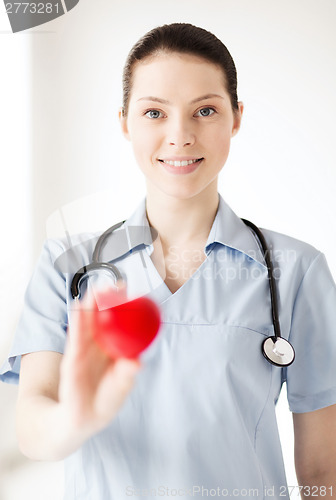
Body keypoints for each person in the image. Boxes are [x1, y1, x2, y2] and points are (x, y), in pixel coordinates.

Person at [1, 22, 336, 499]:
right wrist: (75, 417)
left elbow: (324, 470)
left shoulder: (297, 271)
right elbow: (33, 429)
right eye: (155, 112)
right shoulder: (68, 265)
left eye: (205, 110)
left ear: (236, 118)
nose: (180, 136)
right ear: (124, 122)